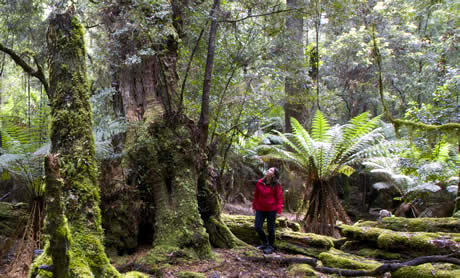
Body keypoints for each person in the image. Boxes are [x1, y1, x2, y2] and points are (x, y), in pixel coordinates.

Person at [252, 167, 283, 254]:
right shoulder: (260, 182)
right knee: (257, 226)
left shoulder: (276, 185)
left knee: (270, 228)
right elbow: (256, 196)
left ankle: (271, 246)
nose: (267, 171)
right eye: (268, 169)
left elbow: (279, 198)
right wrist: (254, 207)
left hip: (271, 210)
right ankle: (264, 243)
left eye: (270, 170)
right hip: (260, 209)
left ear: (273, 174)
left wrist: (279, 210)